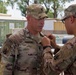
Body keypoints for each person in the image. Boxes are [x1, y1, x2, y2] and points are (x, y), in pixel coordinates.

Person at [1, 4, 59, 75]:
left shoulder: (45, 41)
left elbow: (52, 67)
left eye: (43, 19)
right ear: (28, 18)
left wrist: (55, 47)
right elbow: (5, 70)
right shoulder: (15, 39)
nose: (42, 22)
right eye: (38, 19)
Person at [41, 4, 76, 75]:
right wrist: (56, 46)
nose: (64, 24)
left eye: (64, 20)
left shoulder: (72, 44)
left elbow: (49, 70)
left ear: (71, 19)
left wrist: (47, 47)